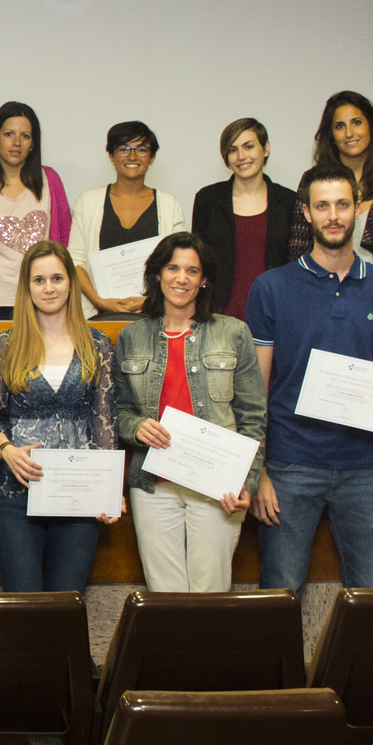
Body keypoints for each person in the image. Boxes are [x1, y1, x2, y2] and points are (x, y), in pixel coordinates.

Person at [247, 167, 373, 593]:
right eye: (322, 206)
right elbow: (255, 390)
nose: (333, 216)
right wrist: (257, 471)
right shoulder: (271, 286)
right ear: (306, 212)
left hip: (366, 465)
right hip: (290, 463)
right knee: (281, 591)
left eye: (342, 204)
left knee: (370, 592)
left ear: (358, 209)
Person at [115, 233, 266, 592]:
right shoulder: (131, 337)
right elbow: (118, 411)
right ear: (157, 274)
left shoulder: (234, 333)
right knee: (164, 594)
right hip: (153, 486)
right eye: (172, 268)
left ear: (204, 280)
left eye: (192, 271)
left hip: (217, 486)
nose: (181, 278)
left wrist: (248, 481)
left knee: (210, 593)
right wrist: (136, 427)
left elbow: (253, 417)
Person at [0, 240, 120, 593]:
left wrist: (108, 490)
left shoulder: (98, 344)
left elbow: (105, 422)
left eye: (57, 278)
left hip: (79, 491)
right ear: (26, 287)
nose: (49, 288)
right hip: (16, 491)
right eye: (38, 280)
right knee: (22, 602)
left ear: (71, 282)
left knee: (67, 602)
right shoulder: (7, 344)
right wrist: (7, 450)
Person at [0, 102, 74, 320]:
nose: (17, 142)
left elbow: (65, 240)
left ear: (33, 144)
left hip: (43, 301)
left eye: (25, 136)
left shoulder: (50, 180)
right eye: (9, 134)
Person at [74, 120, 188, 317]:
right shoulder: (88, 201)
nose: (132, 156)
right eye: (123, 149)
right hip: (97, 316)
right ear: (111, 156)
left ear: (152, 157)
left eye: (142, 149)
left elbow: (178, 263)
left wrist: (150, 301)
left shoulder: (169, 205)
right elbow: (75, 260)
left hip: (153, 316)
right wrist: (98, 300)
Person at [192, 118, 289, 321]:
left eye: (249, 146)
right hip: (218, 318)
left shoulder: (289, 201)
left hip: (275, 316)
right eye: (232, 150)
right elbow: (197, 262)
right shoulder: (208, 200)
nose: (241, 156)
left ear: (266, 148)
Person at [289, 90, 373, 263]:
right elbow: (298, 249)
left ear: (371, 126)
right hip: (323, 278)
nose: (349, 133)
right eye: (340, 126)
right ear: (331, 135)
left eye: (356, 123)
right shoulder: (313, 181)